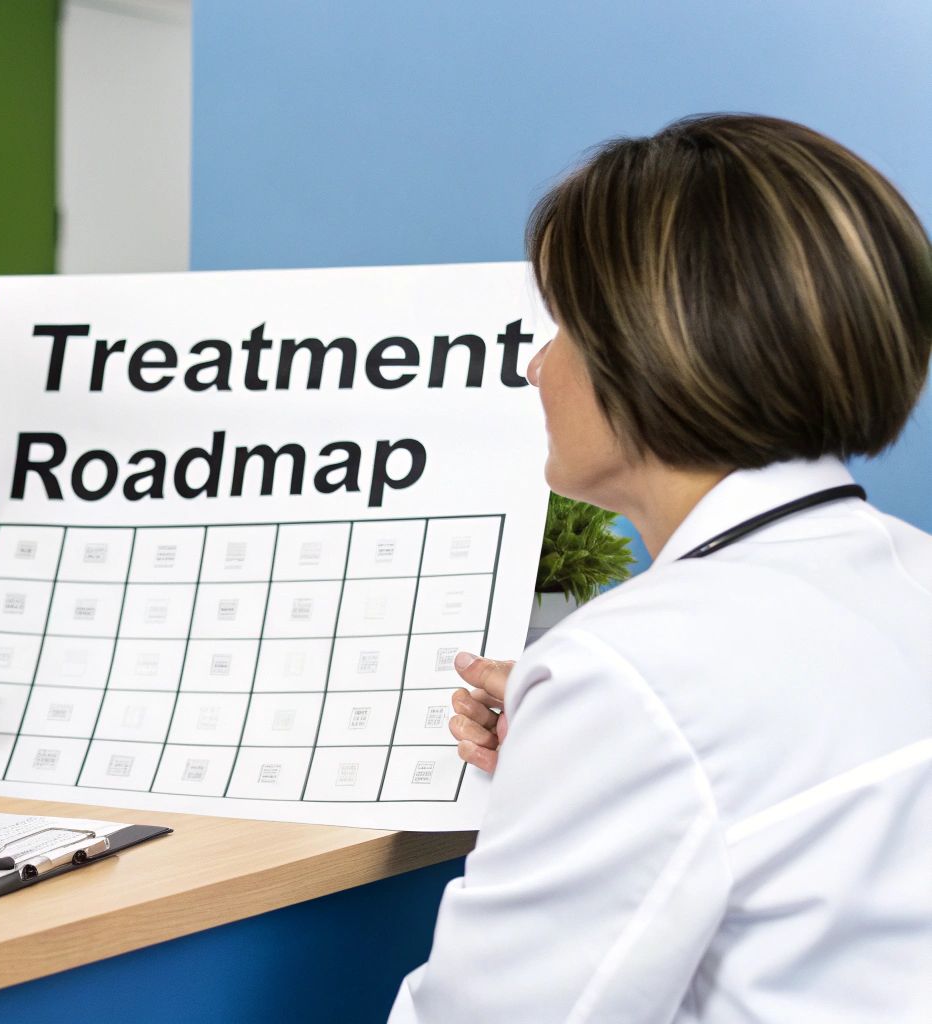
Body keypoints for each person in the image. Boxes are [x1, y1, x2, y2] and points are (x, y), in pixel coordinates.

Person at [393, 115, 932, 1021]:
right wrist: (593, 743)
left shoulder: (632, 674)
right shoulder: (909, 572)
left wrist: (612, 723)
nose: (534, 366)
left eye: (562, 325)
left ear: (660, 344)